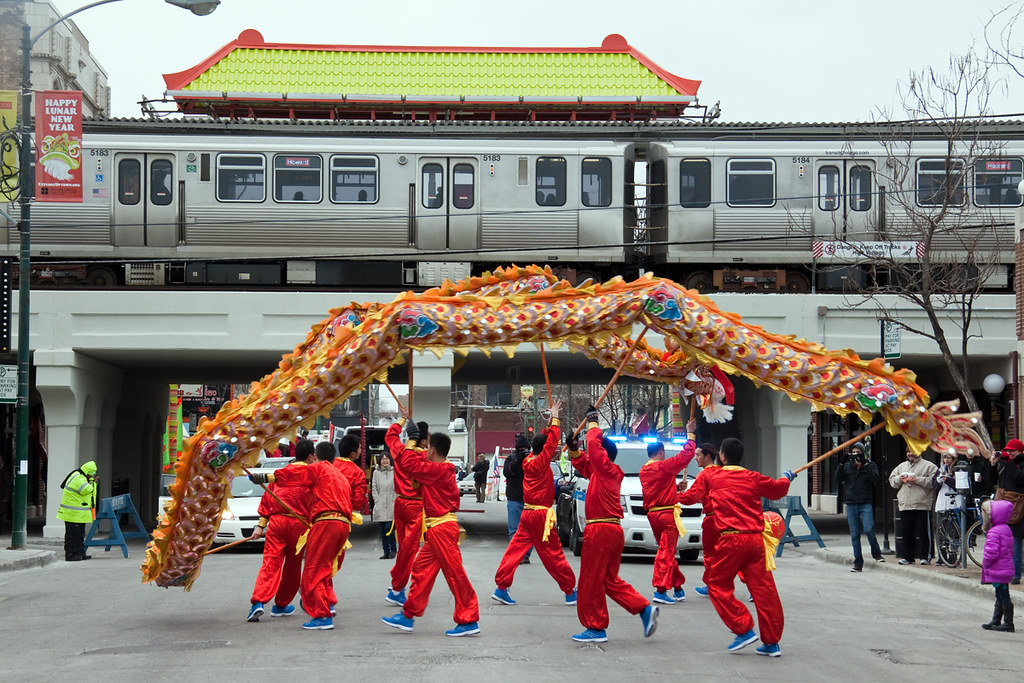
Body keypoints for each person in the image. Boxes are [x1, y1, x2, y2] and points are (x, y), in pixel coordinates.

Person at [689, 437, 794, 656]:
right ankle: (772, 642)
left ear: (723, 456)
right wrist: (786, 478)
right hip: (756, 540)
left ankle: (743, 627)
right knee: (764, 591)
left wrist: (675, 493)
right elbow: (777, 490)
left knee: (716, 584)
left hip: (731, 539)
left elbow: (694, 495)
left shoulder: (713, 476)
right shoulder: (752, 477)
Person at [566, 405, 659, 643]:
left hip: (600, 530)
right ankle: (644, 609)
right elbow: (584, 463)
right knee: (609, 580)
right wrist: (575, 450)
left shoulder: (605, 469)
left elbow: (595, 453)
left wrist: (593, 423)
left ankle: (595, 626)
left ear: (603, 455)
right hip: (611, 530)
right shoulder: (604, 472)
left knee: (590, 579)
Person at [382, 419, 480, 636]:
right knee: (420, 569)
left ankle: (469, 619)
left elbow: (406, 463)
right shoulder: (439, 469)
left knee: (455, 574)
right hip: (437, 530)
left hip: (442, 529)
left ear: (433, 450)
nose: (424, 451)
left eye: (427, 449)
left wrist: (412, 439)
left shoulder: (437, 469)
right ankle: (408, 616)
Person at [250, 440, 353, 631]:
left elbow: (293, 478)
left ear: (316, 457)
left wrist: (267, 477)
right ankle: (319, 603)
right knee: (315, 567)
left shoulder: (318, 470)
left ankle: (321, 613)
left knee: (301, 568)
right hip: (339, 524)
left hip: (313, 522)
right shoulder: (340, 476)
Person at [491, 400, 576, 606]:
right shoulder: (540, 462)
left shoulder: (529, 460)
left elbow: (546, 440)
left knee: (515, 549)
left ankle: (501, 587)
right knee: (552, 553)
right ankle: (569, 590)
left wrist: (550, 422)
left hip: (528, 514)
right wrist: (555, 417)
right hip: (540, 515)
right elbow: (551, 441)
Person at [247, 439, 314, 622]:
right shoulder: (313, 475)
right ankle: (281, 604)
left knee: (271, 562)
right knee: (293, 566)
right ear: (311, 456)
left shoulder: (279, 474)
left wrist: (260, 526)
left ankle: (258, 602)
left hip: (276, 523)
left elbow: (268, 503)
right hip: (300, 525)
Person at [639, 418, 697, 604]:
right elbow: (686, 455)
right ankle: (660, 589)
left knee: (667, 551)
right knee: (666, 552)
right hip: (666, 515)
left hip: (653, 515)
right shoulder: (663, 467)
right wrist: (690, 433)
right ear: (661, 452)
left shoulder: (644, 470)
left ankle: (678, 588)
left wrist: (676, 487)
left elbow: (659, 488)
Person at [384, 420, 429, 606]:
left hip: (399, 503)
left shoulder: (401, 451)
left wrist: (401, 420)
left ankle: (397, 581)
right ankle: (397, 587)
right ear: (424, 441)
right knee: (409, 551)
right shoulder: (425, 456)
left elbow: (390, 436)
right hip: (415, 507)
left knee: (404, 548)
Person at [835, 441, 884, 572]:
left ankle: (876, 552)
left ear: (863, 453)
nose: (855, 455)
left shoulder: (870, 465)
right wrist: (841, 463)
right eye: (853, 452)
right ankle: (858, 562)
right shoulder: (847, 467)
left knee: (869, 529)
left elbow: (875, 478)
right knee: (855, 534)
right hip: (851, 503)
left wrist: (865, 464)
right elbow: (838, 479)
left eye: (858, 453)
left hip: (866, 501)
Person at [888, 449, 938, 565]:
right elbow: (892, 481)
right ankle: (908, 557)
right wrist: (900, 479)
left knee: (923, 532)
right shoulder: (901, 466)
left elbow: (934, 481)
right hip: (905, 504)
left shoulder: (929, 466)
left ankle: (925, 556)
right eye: (908, 452)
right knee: (906, 532)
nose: (911, 454)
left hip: (921, 503)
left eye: (913, 451)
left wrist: (917, 479)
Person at [685, 442, 720, 599]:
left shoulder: (704, 475)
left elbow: (691, 496)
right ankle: (752, 585)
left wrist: (674, 494)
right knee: (732, 553)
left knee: (711, 554)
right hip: (728, 518)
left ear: (707, 456)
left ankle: (712, 584)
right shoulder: (722, 472)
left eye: (698, 455)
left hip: (713, 519)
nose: (695, 458)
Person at [981, 499, 1016, 632]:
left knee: (1003, 595)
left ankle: (1008, 622)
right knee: (1000, 594)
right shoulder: (1006, 529)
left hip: (997, 569)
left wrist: (986, 564)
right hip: (1005, 568)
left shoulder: (994, 531)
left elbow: (991, 552)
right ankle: (996, 620)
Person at [994, 438, 1024, 585]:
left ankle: (1016, 574)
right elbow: (994, 481)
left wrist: (1011, 464)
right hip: (1005, 506)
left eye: (1013, 451)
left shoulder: (1020, 464)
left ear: (1020, 451)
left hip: (1019, 508)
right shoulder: (1006, 464)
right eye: (1009, 450)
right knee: (1006, 542)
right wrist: (994, 464)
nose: (1010, 453)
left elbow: (1020, 480)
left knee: (1016, 541)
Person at [56, 461, 98, 562]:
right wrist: (93, 482)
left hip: (78, 514)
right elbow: (87, 490)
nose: (92, 476)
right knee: (72, 536)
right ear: (87, 472)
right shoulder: (77, 478)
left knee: (79, 535)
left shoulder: (82, 477)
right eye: (91, 474)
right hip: (72, 513)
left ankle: (80, 553)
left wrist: (92, 481)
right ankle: (71, 555)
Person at [504, 434, 532, 563]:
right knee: (514, 529)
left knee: (528, 530)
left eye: (525, 449)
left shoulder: (533, 459)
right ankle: (517, 554)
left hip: (529, 499)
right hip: (514, 498)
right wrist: (518, 460)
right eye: (521, 449)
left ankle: (526, 555)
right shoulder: (511, 458)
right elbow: (507, 472)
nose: (523, 451)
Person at [372, 453, 397, 560]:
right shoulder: (376, 473)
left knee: (389, 528)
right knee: (382, 529)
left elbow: (398, 487)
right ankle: (386, 551)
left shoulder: (395, 472)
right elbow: (374, 487)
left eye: (387, 459)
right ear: (379, 461)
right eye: (383, 459)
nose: (385, 461)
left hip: (392, 503)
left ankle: (393, 550)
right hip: (380, 503)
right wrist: (377, 499)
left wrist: (396, 499)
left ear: (390, 460)